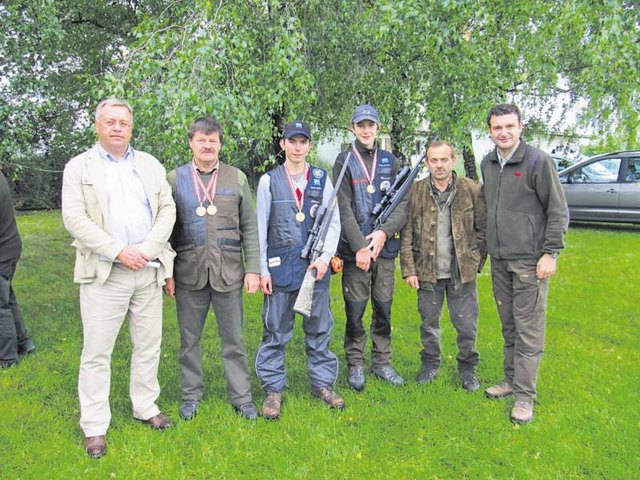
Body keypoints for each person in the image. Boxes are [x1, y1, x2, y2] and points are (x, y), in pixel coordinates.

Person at [61, 98, 177, 458]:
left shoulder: (149, 164)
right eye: (109, 122)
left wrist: (146, 248)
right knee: (97, 351)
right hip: (105, 272)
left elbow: (167, 209)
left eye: (123, 123)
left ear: (131, 127)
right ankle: (94, 426)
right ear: (97, 125)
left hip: (147, 268)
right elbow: (75, 220)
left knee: (148, 344)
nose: (116, 128)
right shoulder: (79, 167)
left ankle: (146, 406)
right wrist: (118, 250)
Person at [165, 117, 260, 421]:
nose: (207, 145)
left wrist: (253, 268)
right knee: (188, 340)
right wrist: (167, 272)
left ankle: (242, 397)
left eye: (213, 140)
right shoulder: (173, 179)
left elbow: (250, 227)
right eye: (201, 140)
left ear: (220, 143)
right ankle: (191, 395)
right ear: (191, 142)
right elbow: (163, 230)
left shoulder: (237, 178)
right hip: (188, 273)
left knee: (234, 340)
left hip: (229, 273)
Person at [480, 103, 569, 424]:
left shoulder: (538, 162)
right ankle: (510, 380)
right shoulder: (487, 163)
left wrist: (551, 253)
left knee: (529, 330)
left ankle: (525, 397)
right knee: (509, 326)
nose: (503, 132)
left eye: (509, 126)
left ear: (520, 128)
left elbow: (558, 211)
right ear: (489, 131)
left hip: (531, 262)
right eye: (497, 127)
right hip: (500, 261)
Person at [255, 120, 344, 420]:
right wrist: (262, 269)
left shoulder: (321, 178)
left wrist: (324, 257)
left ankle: (322, 385)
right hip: (280, 271)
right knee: (276, 331)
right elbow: (260, 228)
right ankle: (273, 389)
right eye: (291, 141)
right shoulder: (269, 181)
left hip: (314, 270)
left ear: (309, 145)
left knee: (319, 329)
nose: (297, 147)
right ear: (283, 144)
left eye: (302, 141)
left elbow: (333, 222)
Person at [400, 141, 487, 391]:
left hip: (462, 272)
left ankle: (468, 369)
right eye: (433, 160)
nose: (439, 165)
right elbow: (406, 234)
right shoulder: (415, 191)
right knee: (429, 323)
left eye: (444, 159)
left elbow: (483, 231)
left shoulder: (471, 189)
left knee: (466, 324)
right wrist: (409, 269)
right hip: (427, 270)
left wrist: (475, 263)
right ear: (427, 162)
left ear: (453, 160)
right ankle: (430, 364)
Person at [333, 104, 408, 391]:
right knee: (355, 309)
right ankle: (355, 364)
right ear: (353, 128)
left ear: (378, 128)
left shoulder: (391, 160)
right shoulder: (343, 161)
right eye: (360, 125)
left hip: (385, 250)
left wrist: (383, 234)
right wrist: (360, 246)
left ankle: (382, 362)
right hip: (355, 253)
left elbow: (403, 205)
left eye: (371, 125)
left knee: (384, 307)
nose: (366, 130)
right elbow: (343, 207)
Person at [0, 171, 35, 368]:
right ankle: (24, 343)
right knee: (7, 298)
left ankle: (7, 358)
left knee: (0, 306)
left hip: (3, 249)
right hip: (9, 246)